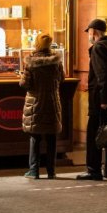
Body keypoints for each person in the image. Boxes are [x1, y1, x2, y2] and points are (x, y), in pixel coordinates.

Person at [78, 18, 107, 181]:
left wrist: (103, 100)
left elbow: (103, 76)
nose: (89, 36)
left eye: (89, 33)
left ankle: (93, 170)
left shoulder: (98, 48)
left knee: (94, 135)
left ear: (94, 33)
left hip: (101, 101)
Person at [20, 33, 64, 179]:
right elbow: (61, 78)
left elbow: (25, 84)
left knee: (35, 138)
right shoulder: (56, 62)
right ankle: (51, 171)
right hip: (52, 102)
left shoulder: (30, 62)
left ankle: (34, 171)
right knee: (51, 138)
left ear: (37, 44)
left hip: (35, 103)